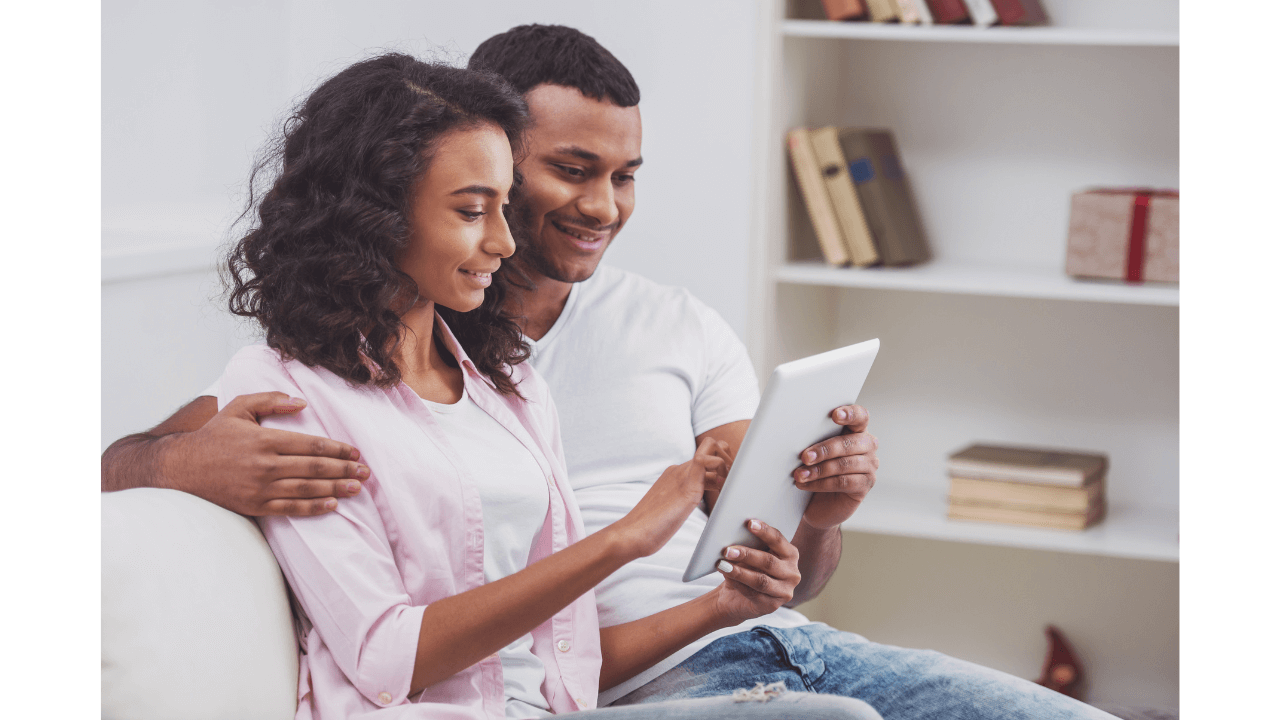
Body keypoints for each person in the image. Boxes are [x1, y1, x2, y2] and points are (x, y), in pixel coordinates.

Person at [100, 24, 1116, 720]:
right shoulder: (326, 371)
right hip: (632, 683)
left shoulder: (552, 360)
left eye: (625, 176)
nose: (602, 207)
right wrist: (175, 464)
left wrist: (819, 516)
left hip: (757, 641)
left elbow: (781, 579)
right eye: (569, 172)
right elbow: (147, 457)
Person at [205, 51, 879, 720]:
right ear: (374, 216)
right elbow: (384, 659)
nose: (503, 242)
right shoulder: (286, 391)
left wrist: (723, 607)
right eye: (473, 211)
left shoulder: (511, 388)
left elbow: (568, 663)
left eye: (504, 207)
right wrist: (626, 538)